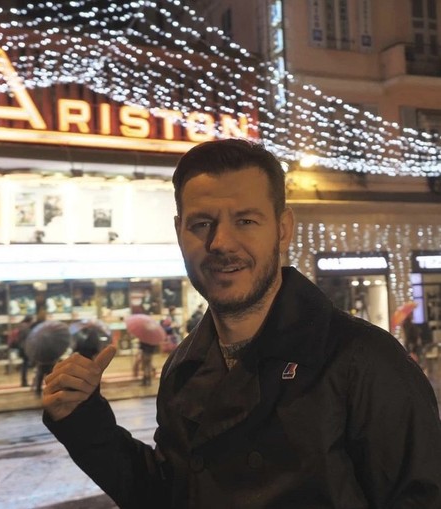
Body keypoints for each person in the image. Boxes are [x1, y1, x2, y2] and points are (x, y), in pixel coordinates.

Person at [42, 139, 441, 508]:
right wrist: (84, 423)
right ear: (179, 232)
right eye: (202, 224)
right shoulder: (184, 367)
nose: (221, 243)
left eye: (246, 221)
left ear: (283, 230)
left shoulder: (363, 361)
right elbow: (170, 496)